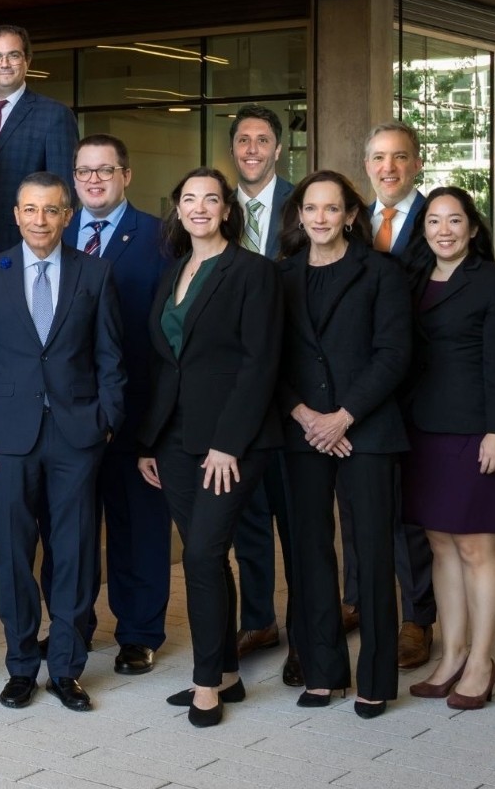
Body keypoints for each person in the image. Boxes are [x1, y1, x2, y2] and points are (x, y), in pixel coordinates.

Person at [0, 171, 124, 713]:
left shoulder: (95, 272)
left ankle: (67, 669)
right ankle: (20, 667)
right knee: (13, 555)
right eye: (30, 209)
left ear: (67, 216)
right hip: (8, 438)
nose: (40, 220)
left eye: (51, 210)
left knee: (75, 552)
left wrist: (106, 421)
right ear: (16, 215)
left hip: (77, 436)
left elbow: (111, 358)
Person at [134, 166, 281, 728]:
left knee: (199, 554)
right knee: (209, 556)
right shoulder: (175, 270)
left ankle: (204, 684)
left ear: (226, 210)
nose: (199, 207)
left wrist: (228, 444)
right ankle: (227, 674)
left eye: (211, 198)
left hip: (230, 443)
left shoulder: (252, 272)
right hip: (174, 439)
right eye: (189, 198)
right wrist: (148, 441)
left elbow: (260, 364)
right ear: (178, 209)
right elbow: (165, 363)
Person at [271, 171, 412, 719]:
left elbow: (394, 353)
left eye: (332, 208)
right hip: (303, 431)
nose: (321, 218)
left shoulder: (381, 272)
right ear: (299, 215)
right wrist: (306, 415)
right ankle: (323, 670)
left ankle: (376, 678)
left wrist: (344, 416)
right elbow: (269, 357)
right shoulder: (281, 275)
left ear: (351, 215)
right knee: (309, 553)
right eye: (311, 208)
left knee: (372, 554)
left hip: (366, 431)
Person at [398, 186, 495, 712]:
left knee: (476, 547)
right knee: (440, 545)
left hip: (474, 432)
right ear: (423, 230)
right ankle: (451, 655)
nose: (443, 230)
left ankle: (480, 661)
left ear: (472, 228)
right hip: (420, 429)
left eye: (454, 220)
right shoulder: (411, 279)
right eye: (433, 221)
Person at [67, 134, 173, 677]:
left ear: (125, 176)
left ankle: (138, 633)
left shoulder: (159, 238)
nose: (94, 180)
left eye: (104, 170)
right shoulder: (56, 230)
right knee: (74, 528)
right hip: (69, 415)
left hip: (136, 410)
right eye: (84, 171)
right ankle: (74, 625)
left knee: (139, 527)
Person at [359, 121, 438, 671]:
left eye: (400, 157)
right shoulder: (351, 220)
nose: (388, 168)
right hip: (356, 388)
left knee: (408, 507)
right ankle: (356, 600)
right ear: (367, 164)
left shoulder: (438, 219)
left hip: (417, 386)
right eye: (379, 157)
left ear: (417, 164)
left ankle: (417, 617)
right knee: (355, 501)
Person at [221, 104, 296, 672]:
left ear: (278, 149)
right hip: (234, 389)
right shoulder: (214, 207)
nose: (252, 149)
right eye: (243, 140)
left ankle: (310, 630)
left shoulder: (304, 206)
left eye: (262, 140)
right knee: (246, 513)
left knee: (297, 518)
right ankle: (258, 621)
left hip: (294, 389)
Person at [0, 25, 76, 258]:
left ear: (27, 61)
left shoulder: (55, 115)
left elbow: (64, 193)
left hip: (20, 247)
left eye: (13, 55)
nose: (4, 64)